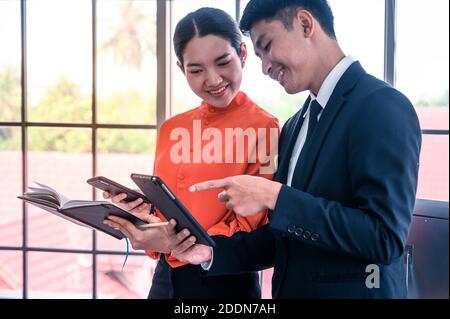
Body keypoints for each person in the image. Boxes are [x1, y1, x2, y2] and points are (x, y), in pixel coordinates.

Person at [172, 0, 422, 299]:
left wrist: (273, 195)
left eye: (267, 46)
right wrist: (208, 253)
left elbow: (383, 238)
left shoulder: (380, 106)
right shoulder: (295, 124)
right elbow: (288, 237)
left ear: (305, 24)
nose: (264, 67)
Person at [103, 7, 279, 299]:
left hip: (225, 281)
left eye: (223, 62)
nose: (212, 79)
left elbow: (252, 223)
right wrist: (143, 216)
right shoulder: (171, 129)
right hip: (164, 279)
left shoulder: (265, 127)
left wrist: (177, 242)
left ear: (243, 55)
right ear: (180, 68)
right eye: (196, 70)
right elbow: (164, 209)